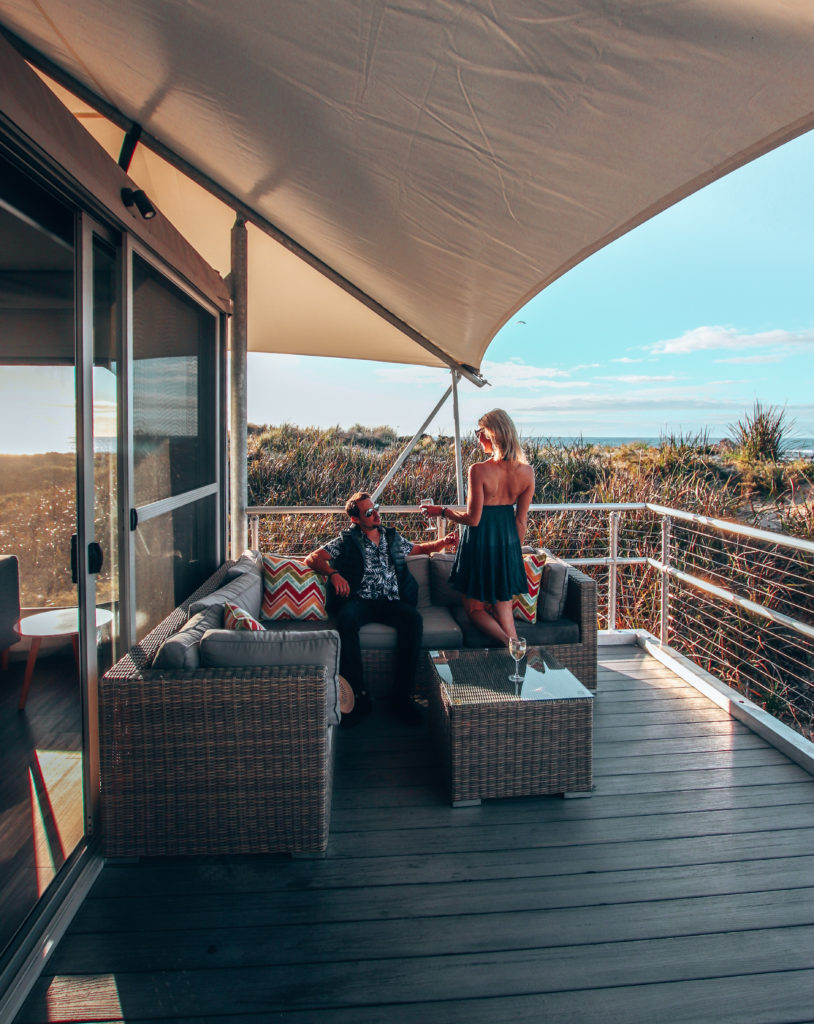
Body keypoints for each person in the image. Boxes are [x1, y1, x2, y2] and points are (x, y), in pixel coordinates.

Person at [305, 492, 456, 726]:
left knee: (413, 620)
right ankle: (358, 697)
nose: (376, 514)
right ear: (355, 519)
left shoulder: (391, 537)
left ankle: (402, 699)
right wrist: (333, 574)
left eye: (375, 508)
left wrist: (442, 543)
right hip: (361, 600)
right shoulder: (346, 540)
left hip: (391, 601)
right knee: (346, 620)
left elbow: (416, 549)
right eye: (368, 512)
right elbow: (313, 558)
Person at [422, 409, 534, 647]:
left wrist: (442, 512)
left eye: (479, 432)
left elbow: (473, 519)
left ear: (492, 434)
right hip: (508, 543)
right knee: (503, 604)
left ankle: (508, 643)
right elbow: (521, 521)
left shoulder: (479, 470)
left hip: (481, 542)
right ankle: (516, 655)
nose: (477, 437)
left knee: (473, 608)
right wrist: (513, 553)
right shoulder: (527, 472)